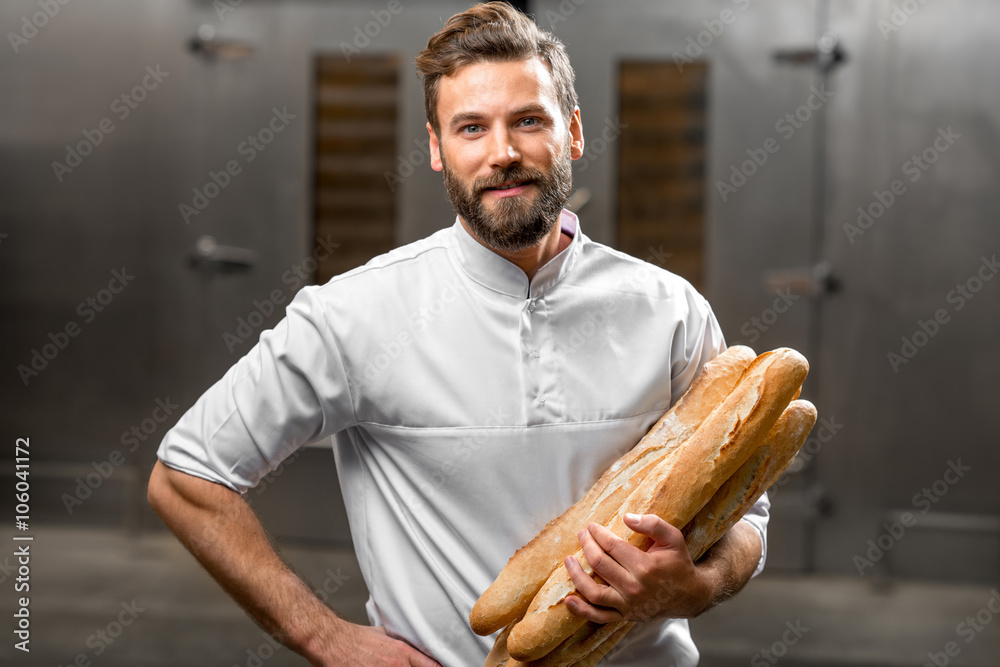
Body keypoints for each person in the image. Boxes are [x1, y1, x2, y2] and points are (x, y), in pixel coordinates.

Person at [147, 3, 769, 666]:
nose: (503, 153)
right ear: (439, 150)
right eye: (472, 128)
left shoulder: (669, 310)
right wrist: (323, 636)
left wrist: (698, 583)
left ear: (575, 132)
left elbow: (746, 510)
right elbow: (187, 474)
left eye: (529, 120)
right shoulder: (357, 313)